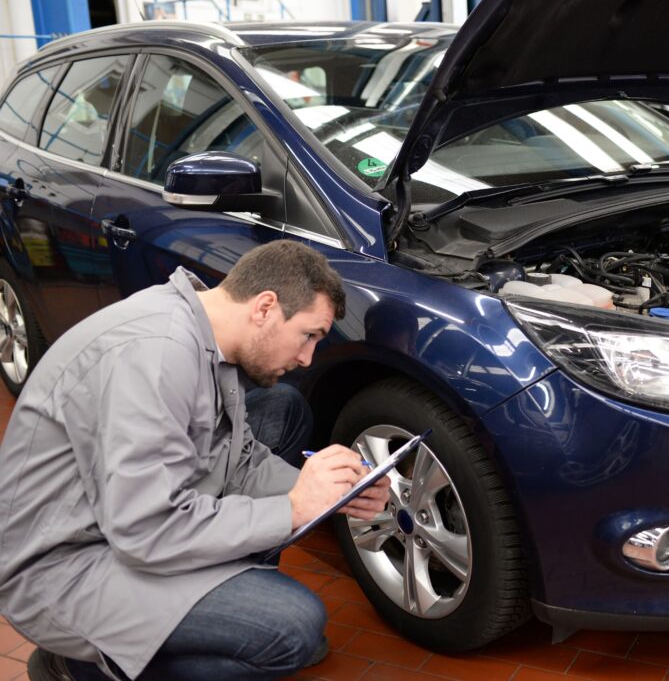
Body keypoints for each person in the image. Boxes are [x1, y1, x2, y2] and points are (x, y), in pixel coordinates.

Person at [0, 241, 388, 680]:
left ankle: (233, 594)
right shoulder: (157, 354)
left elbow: (239, 461)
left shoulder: (206, 333)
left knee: (282, 407)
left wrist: (331, 494)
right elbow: (145, 529)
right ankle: (79, 668)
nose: (306, 358)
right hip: (63, 568)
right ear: (264, 307)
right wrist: (293, 509)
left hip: (115, 526)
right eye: (309, 335)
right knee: (291, 627)